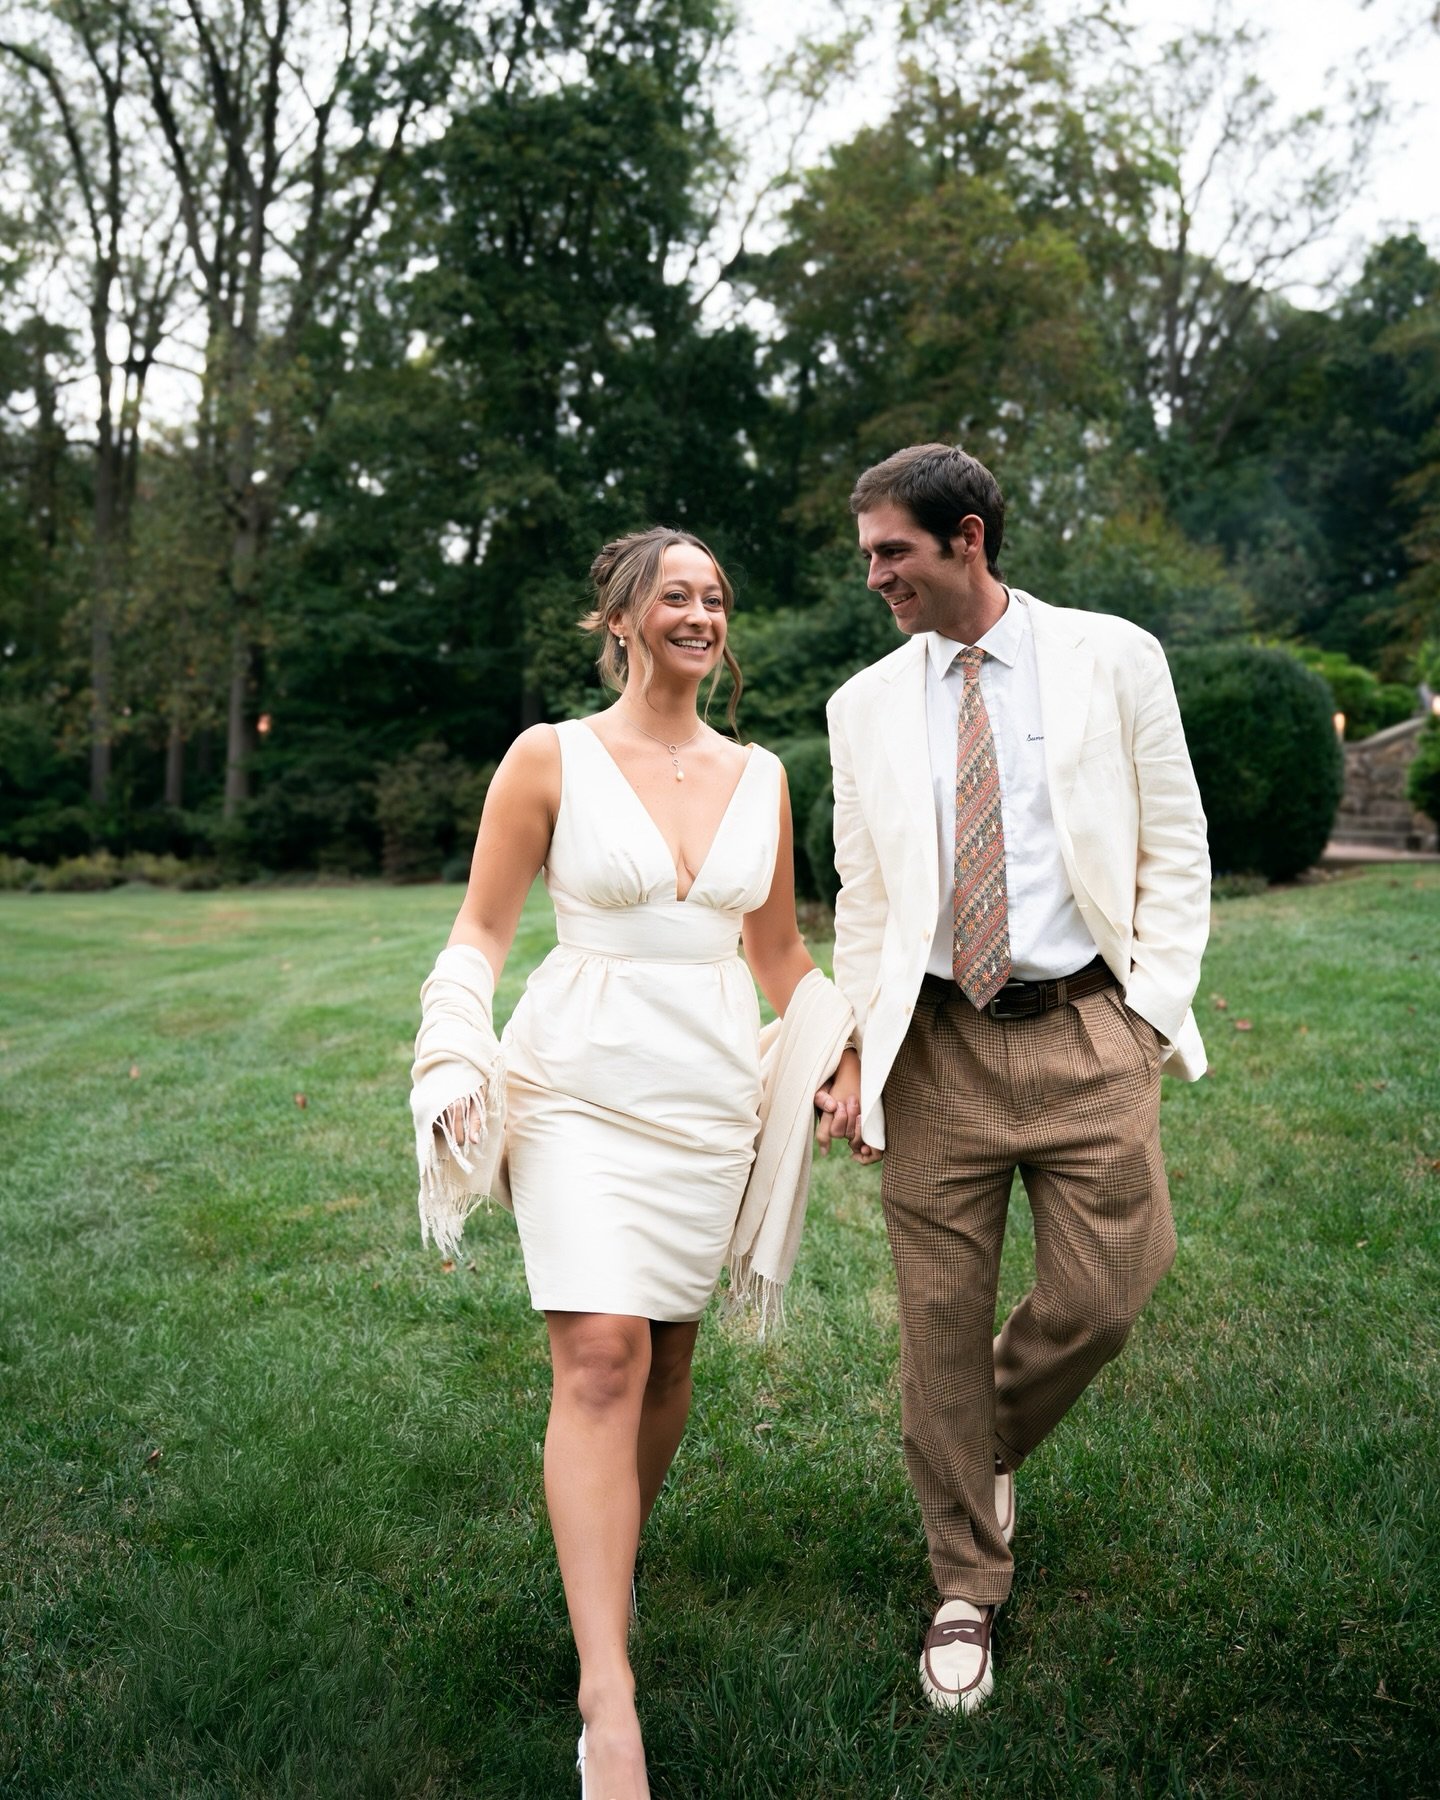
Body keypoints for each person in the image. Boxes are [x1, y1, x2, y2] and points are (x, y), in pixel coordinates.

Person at [410, 527, 857, 1800]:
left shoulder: (762, 775)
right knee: (599, 1349)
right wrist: (451, 1058)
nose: (702, 613)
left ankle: (606, 1570)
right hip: (579, 1086)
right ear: (622, 618)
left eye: (718, 595)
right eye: (677, 596)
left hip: (709, 1096)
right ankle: (609, 1700)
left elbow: (779, 956)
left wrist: (841, 1049)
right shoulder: (548, 757)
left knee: (665, 1354)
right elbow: (481, 932)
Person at [824, 443, 1210, 1714]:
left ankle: (967, 1440)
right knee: (938, 1318)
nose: (875, 574)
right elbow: (866, 898)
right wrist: (854, 1052)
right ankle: (962, 1587)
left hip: (1090, 1026)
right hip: (933, 1044)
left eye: (894, 552)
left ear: (969, 539)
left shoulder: (1116, 657)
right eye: (871, 552)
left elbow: (1177, 843)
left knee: (1108, 1292)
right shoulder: (863, 705)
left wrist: (1149, 1012)